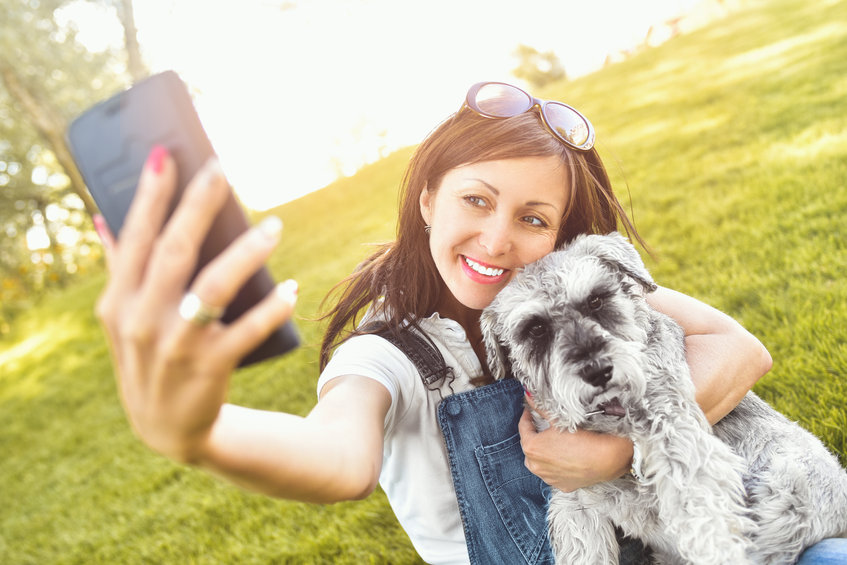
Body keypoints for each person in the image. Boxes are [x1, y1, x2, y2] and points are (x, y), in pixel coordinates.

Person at [93, 81, 844, 564]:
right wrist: (199, 434)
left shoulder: (561, 288)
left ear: (558, 234)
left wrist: (614, 452)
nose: (496, 241)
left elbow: (740, 350)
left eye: (532, 218)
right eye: (475, 201)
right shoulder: (388, 354)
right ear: (427, 198)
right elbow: (337, 457)